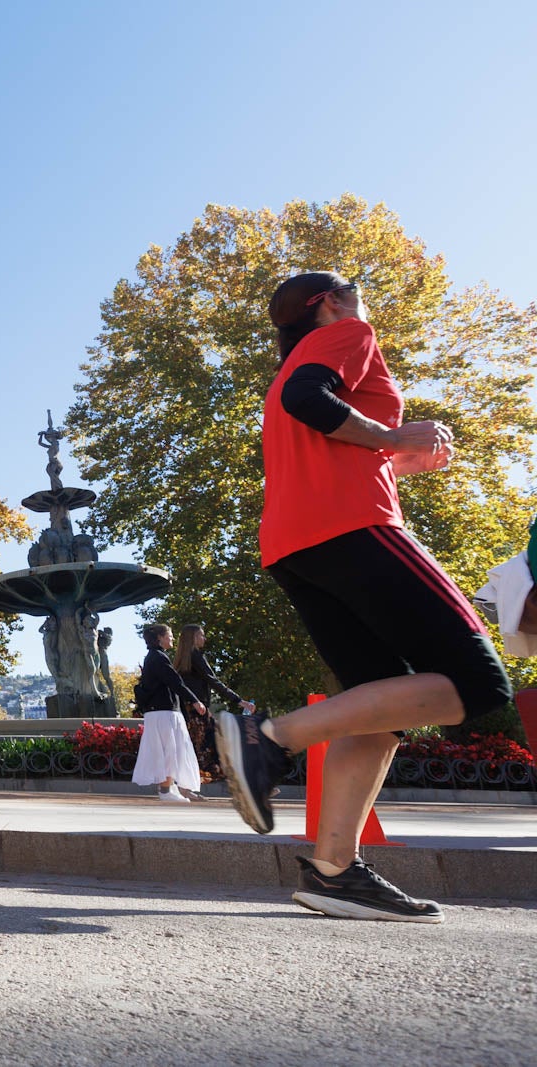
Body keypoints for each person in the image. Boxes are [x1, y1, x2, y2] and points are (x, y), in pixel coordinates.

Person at [215, 272, 511, 923]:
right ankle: (269, 738)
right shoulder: (347, 332)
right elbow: (310, 399)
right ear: (330, 302)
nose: (360, 300)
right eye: (353, 289)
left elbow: (320, 434)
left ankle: (334, 871)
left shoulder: (287, 368)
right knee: (480, 681)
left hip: (296, 545)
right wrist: (396, 437)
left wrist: (395, 460)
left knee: (378, 710)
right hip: (352, 528)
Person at [131, 624, 205, 802]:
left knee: (169, 750)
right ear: (160, 638)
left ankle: (169, 787)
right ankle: (166, 790)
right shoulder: (159, 658)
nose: (172, 638)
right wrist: (195, 700)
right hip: (163, 712)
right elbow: (176, 682)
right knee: (171, 750)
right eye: (169, 635)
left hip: (160, 712)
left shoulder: (154, 657)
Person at [173, 623, 253, 780]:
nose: (204, 638)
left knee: (198, 746)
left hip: (188, 709)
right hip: (199, 709)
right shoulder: (196, 656)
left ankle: (197, 780)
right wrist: (239, 701)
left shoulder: (182, 660)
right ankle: (237, 779)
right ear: (193, 638)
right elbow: (213, 681)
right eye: (201, 635)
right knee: (212, 744)